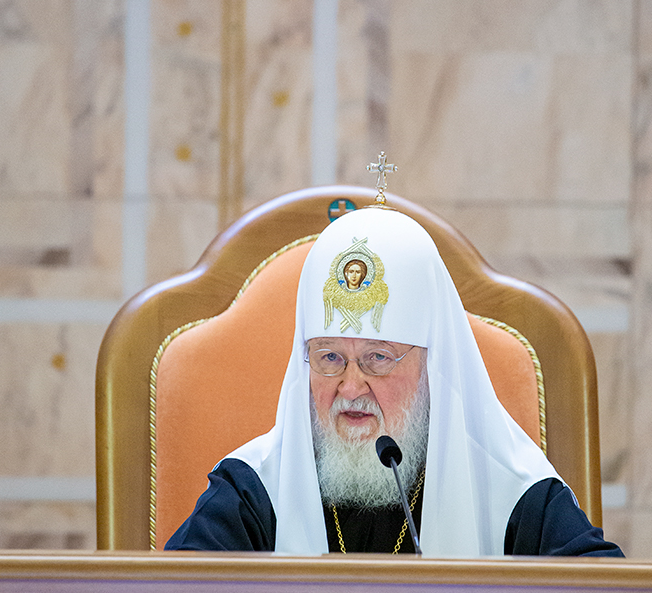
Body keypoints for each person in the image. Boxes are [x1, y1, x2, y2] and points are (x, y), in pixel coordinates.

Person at [166, 206, 623, 557]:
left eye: (377, 359)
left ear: (431, 366)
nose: (350, 388)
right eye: (329, 358)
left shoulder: (512, 494)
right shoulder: (252, 489)